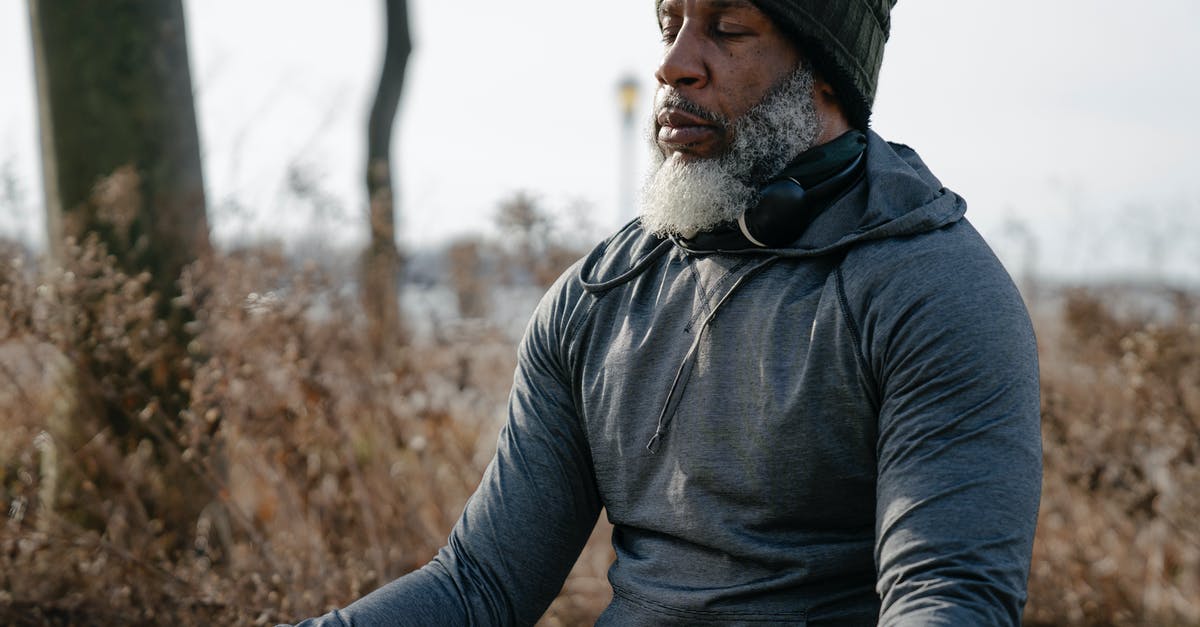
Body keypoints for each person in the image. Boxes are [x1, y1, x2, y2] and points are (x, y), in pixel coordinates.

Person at [286, 0, 1042, 624]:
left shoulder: (934, 292)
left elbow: (947, 602)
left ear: (826, 76)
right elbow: (479, 585)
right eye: (669, 22)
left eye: (728, 28)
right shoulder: (598, 296)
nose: (674, 63)